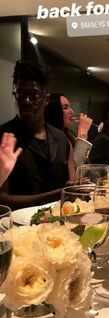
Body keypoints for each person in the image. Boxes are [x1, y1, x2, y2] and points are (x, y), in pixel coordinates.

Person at [0, 60, 73, 210]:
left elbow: (71, 185)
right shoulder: (4, 138)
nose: (26, 101)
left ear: (46, 99)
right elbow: (2, 200)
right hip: (17, 229)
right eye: (21, 94)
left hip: (59, 229)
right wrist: (59, 194)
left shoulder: (61, 138)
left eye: (34, 95)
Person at [44, 93, 92, 167]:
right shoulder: (49, 136)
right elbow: (74, 165)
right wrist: (83, 132)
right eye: (65, 108)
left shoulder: (68, 133)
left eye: (70, 107)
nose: (71, 111)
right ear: (54, 112)